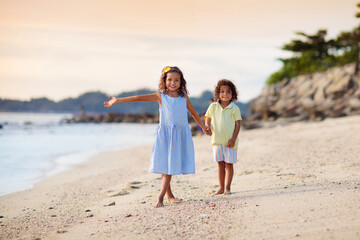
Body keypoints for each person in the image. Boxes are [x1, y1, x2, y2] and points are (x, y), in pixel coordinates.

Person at [104, 66, 211, 207]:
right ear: (164, 80)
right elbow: (138, 98)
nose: (173, 83)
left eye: (176, 80)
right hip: (165, 135)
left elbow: (194, 114)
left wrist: (203, 127)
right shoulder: (160, 95)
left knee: (169, 167)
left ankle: (162, 197)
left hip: (178, 135)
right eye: (170, 80)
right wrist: (118, 100)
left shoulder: (183, 98)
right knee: (165, 166)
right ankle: (166, 196)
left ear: (181, 82)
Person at [204, 79, 242, 195]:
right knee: (220, 164)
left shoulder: (234, 108)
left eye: (228, 92)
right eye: (222, 91)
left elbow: (238, 124)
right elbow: (207, 120)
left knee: (229, 164)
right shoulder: (213, 107)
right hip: (216, 141)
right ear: (218, 93)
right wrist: (207, 128)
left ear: (233, 94)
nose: (225, 94)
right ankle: (221, 188)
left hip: (230, 142)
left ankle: (228, 188)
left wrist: (233, 139)